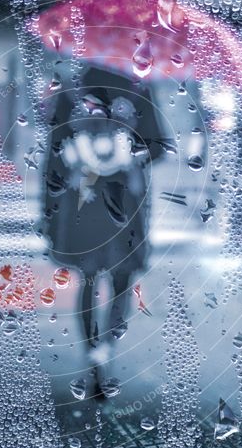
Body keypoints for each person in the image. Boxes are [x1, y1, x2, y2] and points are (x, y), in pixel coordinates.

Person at [41, 64, 170, 396]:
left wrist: (125, 150)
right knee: (101, 277)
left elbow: (155, 145)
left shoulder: (125, 91)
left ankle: (99, 349)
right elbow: (158, 147)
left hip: (112, 202)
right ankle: (100, 350)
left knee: (106, 278)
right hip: (96, 201)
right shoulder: (117, 90)